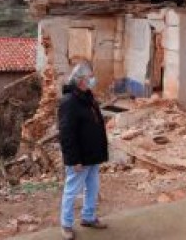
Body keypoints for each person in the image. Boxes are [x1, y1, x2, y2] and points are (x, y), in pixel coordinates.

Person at [58, 61, 109, 240]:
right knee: (72, 191)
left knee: (93, 188)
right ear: (81, 80)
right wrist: (74, 160)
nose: (93, 80)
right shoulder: (69, 102)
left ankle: (88, 217)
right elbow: (67, 134)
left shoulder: (88, 97)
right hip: (79, 158)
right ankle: (66, 225)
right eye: (90, 77)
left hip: (93, 155)